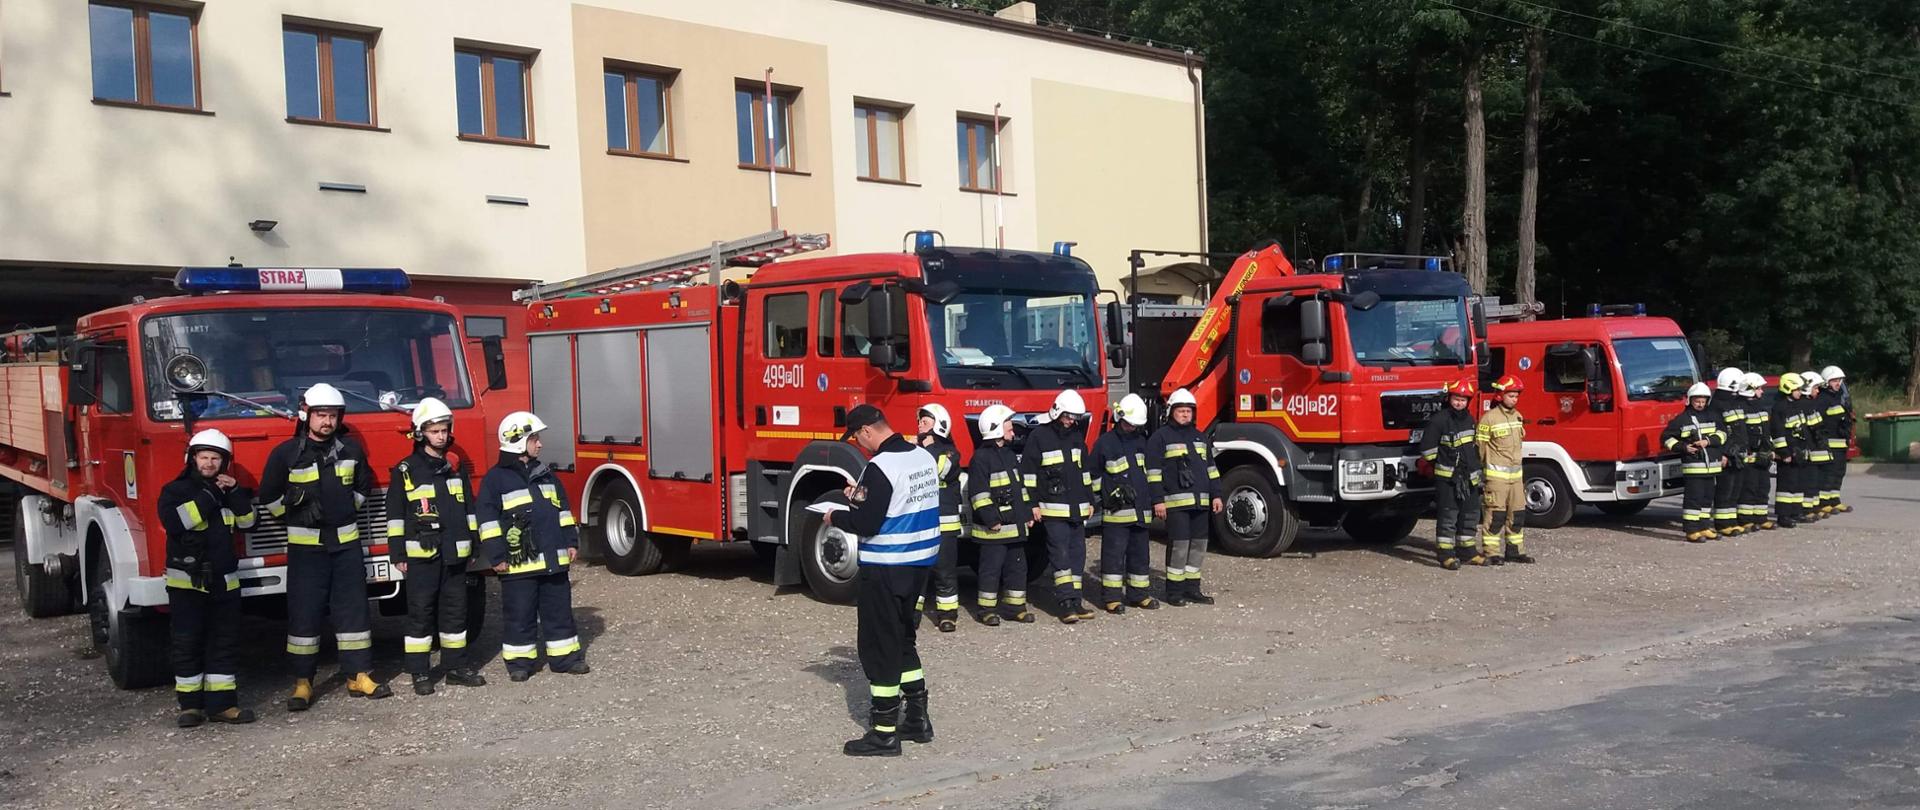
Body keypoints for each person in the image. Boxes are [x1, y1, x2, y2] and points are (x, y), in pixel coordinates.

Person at [259, 383, 388, 709]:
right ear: (307, 415)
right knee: (304, 615)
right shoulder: (286, 453)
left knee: (354, 613)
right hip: (306, 551)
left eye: (332, 416)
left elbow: (362, 488)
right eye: (321, 415)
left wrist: (342, 509)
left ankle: (359, 675)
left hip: (346, 546)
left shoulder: (351, 450)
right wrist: (293, 514)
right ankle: (303, 682)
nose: (327, 422)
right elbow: (269, 496)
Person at [827, 405, 941, 757]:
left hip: (886, 567)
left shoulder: (879, 467)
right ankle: (917, 720)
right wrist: (860, 497)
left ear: (865, 431)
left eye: (856, 438)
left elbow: (867, 524)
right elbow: (900, 503)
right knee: (903, 639)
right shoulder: (922, 457)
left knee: (879, 647)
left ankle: (884, 733)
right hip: (919, 564)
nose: (859, 445)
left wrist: (836, 516)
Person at [385, 397, 487, 695]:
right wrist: (398, 552)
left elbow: (468, 508)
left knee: (456, 612)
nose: (441, 436)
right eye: (435, 431)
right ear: (420, 433)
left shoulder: (454, 466)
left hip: (454, 554)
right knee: (421, 614)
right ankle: (419, 672)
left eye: (444, 430)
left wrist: (474, 543)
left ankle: (455, 667)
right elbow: (395, 515)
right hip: (422, 557)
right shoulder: (406, 470)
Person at [477, 411, 588, 682]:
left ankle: (565, 659)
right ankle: (519, 663)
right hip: (518, 567)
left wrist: (571, 542)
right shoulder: (495, 480)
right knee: (520, 615)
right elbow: (487, 521)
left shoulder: (546, 475)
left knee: (559, 612)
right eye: (534, 439)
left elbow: (563, 510)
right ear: (517, 441)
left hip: (553, 562)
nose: (540, 444)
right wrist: (496, 556)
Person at [158, 429, 258, 727]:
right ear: (192, 459)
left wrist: (235, 492)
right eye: (204, 457)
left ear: (224, 462)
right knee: (187, 643)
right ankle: (190, 707)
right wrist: (211, 495)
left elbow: (249, 523)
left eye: (216, 458)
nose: (209, 463)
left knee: (224, 643)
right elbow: (176, 522)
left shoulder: (229, 492)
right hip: (187, 584)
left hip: (224, 582)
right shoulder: (175, 491)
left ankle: (223, 705)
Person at [1023, 390, 1097, 623]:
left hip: (1077, 508)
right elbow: (1029, 474)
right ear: (1057, 412)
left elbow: (1084, 472)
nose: (1071, 421)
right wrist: (1032, 504)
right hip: (1052, 509)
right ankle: (1065, 603)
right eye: (1068, 416)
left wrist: (1090, 500)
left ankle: (1076, 600)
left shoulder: (1076, 437)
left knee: (1078, 555)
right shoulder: (1039, 436)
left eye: (1075, 418)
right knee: (1060, 555)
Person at [1148, 388, 1224, 602]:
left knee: (1199, 546)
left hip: (1201, 504)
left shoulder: (1200, 437)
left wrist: (1216, 495)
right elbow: (1153, 473)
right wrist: (1158, 501)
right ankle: (1174, 592)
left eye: (1188, 411)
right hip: (1176, 505)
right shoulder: (1160, 438)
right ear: (1171, 412)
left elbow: (1211, 469)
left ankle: (1192, 588)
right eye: (1180, 410)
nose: (1185, 414)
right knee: (1179, 547)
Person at [967, 404, 1038, 626]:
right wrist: (992, 519)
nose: (1012, 430)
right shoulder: (980, 458)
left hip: (1015, 527)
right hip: (993, 530)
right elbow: (978, 494)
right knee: (990, 571)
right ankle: (986, 610)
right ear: (996, 427)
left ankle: (1015, 608)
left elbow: (1020, 489)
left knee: (1017, 568)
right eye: (1008, 425)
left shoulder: (1008, 454)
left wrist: (1026, 513)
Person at [1091, 394, 1157, 613]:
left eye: (1135, 424)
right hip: (1117, 512)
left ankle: (1139, 595)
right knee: (1113, 557)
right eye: (1129, 423)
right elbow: (1092, 475)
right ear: (1120, 418)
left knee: (1140, 556)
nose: (1132, 427)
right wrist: (1107, 495)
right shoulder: (1105, 443)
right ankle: (1111, 598)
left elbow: (1148, 474)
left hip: (1140, 511)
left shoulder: (1141, 442)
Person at [1419, 378, 1484, 569]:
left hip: (1468, 478)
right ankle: (1445, 554)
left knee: (1470, 514)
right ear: (1449, 398)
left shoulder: (1470, 419)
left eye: (1463, 400)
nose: (1459, 403)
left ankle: (1467, 551)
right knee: (1448, 516)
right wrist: (1442, 464)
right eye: (1456, 399)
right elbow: (1427, 450)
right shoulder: (1439, 420)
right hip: (1448, 479)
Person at [915, 404, 963, 633]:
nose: (919, 425)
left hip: (945, 524)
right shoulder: (916, 451)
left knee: (945, 572)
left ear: (939, 426)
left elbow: (938, 469)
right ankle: (912, 615)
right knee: (917, 572)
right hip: (921, 523)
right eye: (919, 422)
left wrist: (929, 447)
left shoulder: (950, 452)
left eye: (925, 422)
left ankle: (947, 615)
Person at [1477, 375, 1535, 563]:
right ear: (1500, 395)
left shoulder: (1518, 416)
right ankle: (1491, 553)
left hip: (1516, 478)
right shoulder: (1489, 419)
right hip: (1496, 480)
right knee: (1496, 516)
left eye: (1516, 396)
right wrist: (1481, 472)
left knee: (1517, 515)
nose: (1514, 399)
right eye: (1511, 396)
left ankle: (1515, 551)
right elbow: (1480, 449)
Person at [1663, 382, 1725, 542]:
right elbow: (1666, 438)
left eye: (1703, 401)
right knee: (1694, 499)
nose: (1700, 404)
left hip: (1711, 468)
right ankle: (1691, 530)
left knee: (1707, 499)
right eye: (1697, 401)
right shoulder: (1682, 419)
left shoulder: (1713, 416)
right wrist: (1683, 447)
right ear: (1690, 400)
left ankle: (1704, 527)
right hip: (1694, 468)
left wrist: (1708, 441)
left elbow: (1723, 434)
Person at [1709, 368, 1749, 538]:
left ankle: (1731, 521)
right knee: (1725, 489)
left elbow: (1739, 430)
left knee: (1735, 488)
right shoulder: (1718, 404)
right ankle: (1722, 523)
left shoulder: (1733, 402)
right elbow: (1718, 431)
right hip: (1727, 454)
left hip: (1738, 452)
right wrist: (1723, 454)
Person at [1770, 372, 1810, 529]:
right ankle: (1784, 515)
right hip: (1788, 453)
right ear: (1788, 388)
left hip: (1799, 451)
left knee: (1798, 483)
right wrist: (1784, 452)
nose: (1800, 392)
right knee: (1786, 486)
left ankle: (1796, 512)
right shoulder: (1780, 407)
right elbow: (1777, 432)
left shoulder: (1797, 405)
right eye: (1797, 389)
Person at [1739, 372, 1776, 532]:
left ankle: (1761, 518)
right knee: (1749, 488)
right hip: (1749, 458)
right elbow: (1741, 434)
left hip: (1763, 457)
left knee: (1763, 487)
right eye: (1759, 388)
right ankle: (1746, 519)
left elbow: (1766, 432)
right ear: (1750, 389)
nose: (1762, 391)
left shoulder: (1761, 407)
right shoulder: (1741, 408)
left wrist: (1770, 449)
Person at [1817, 365, 1855, 514]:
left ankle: (1834, 500)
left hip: (1840, 443)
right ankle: (1823, 502)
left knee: (1839, 472)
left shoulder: (1839, 397)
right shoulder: (1823, 399)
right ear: (1826, 382)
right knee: (1828, 473)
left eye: (1839, 380)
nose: (1838, 383)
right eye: (1834, 380)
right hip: (1829, 443)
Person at [1798, 371, 1832, 522]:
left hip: (1815, 450)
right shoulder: (1804, 405)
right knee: (1809, 481)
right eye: (1816, 387)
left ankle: (1813, 507)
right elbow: (1813, 429)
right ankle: (1806, 509)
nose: (1818, 391)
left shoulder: (1810, 404)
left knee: (1815, 480)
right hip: (1809, 451)